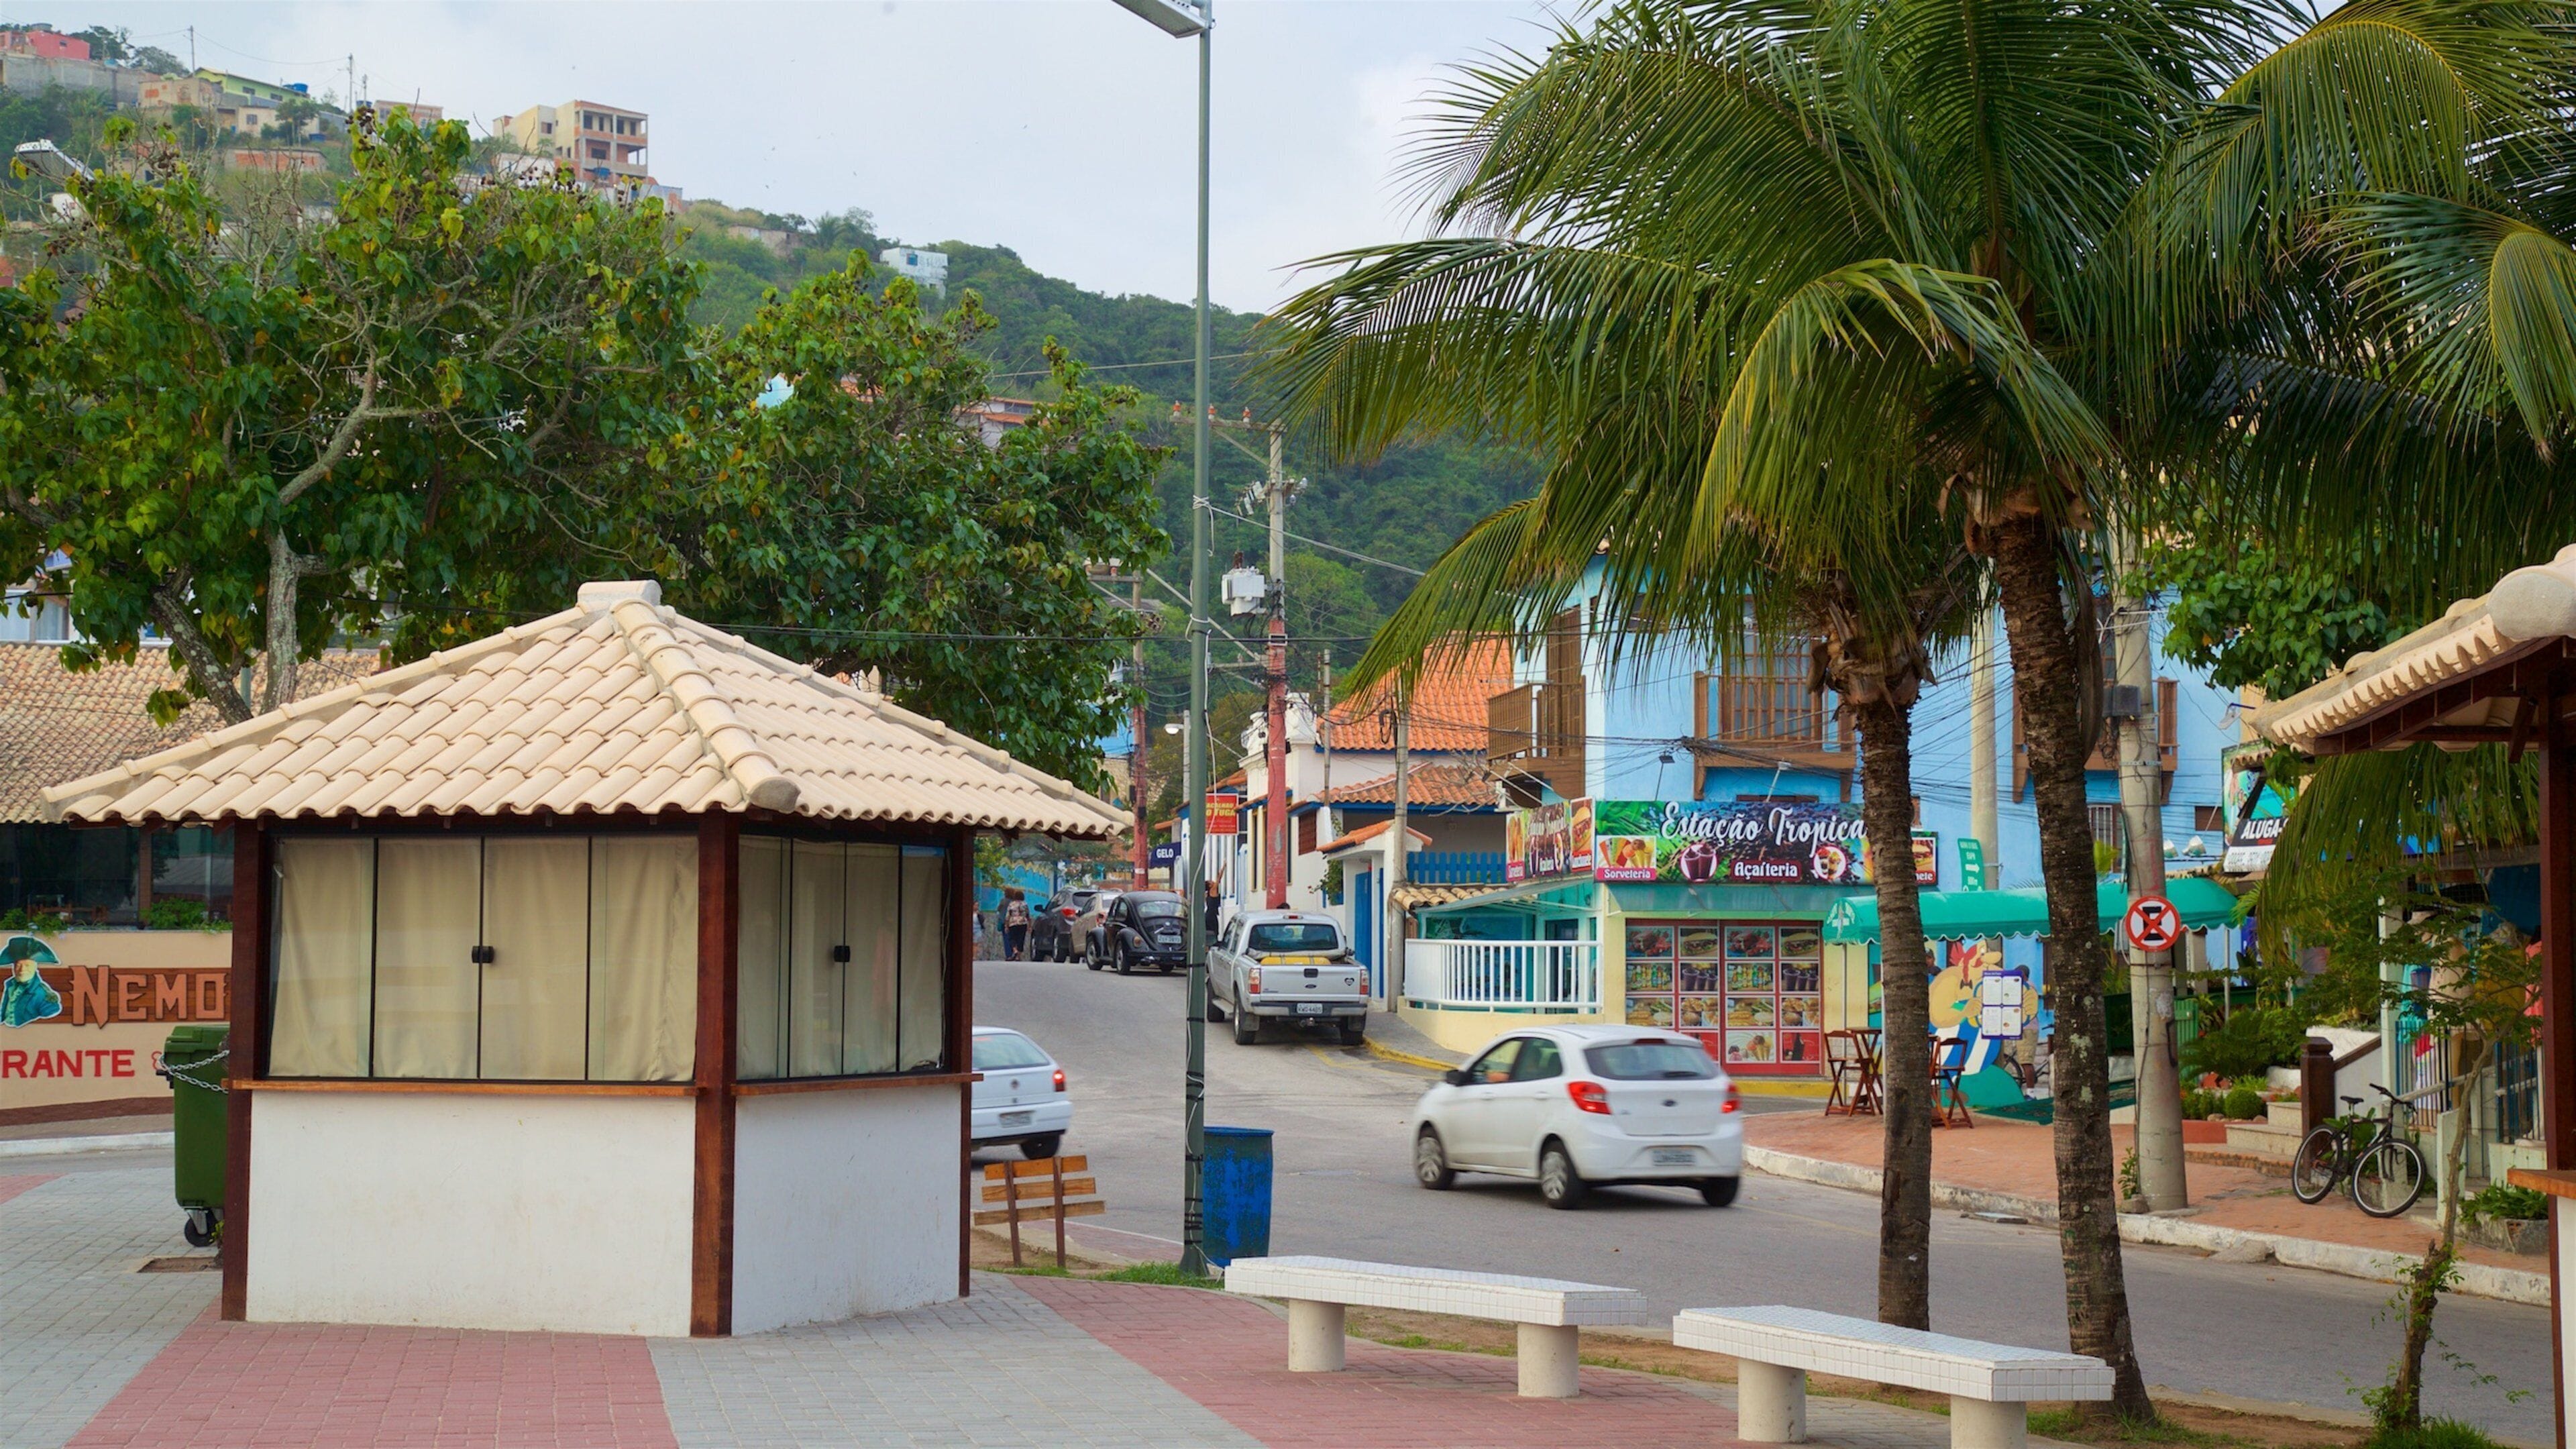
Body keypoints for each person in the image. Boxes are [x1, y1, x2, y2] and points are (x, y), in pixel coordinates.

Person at [1002, 892, 1031, 962]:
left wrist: (1006, 925)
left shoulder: (1012, 904)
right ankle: (1018, 957)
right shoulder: (1025, 904)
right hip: (1023, 923)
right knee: (1021, 939)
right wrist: (1029, 926)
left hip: (1013, 923)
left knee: (1012, 938)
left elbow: (1008, 915)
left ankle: (1015, 951)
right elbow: (1028, 915)